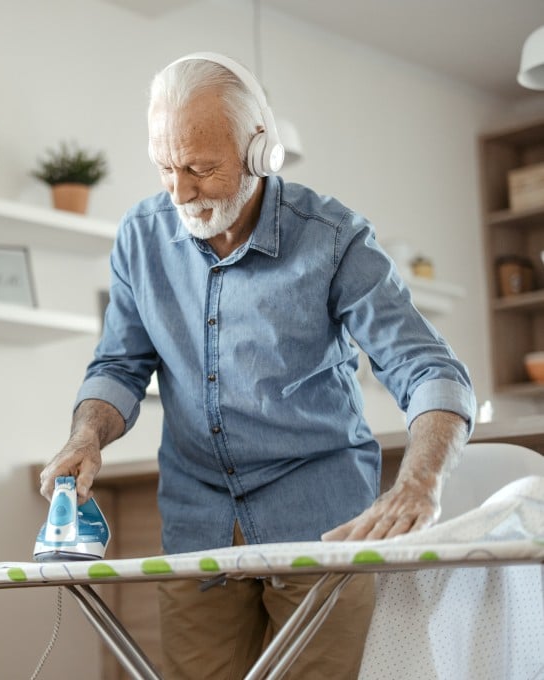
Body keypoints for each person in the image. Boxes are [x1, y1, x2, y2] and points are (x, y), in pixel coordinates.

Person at [38, 52, 476, 679]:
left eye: (201, 168)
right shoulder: (140, 236)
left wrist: (419, 481)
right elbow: (120, 364)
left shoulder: (333, 238)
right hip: (197, 524)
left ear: (261, 151)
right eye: (166, 167)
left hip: (323, 526)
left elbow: (427, 367)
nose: (181, 191)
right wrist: (86, 434)